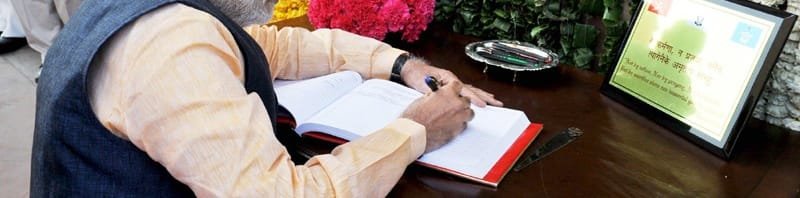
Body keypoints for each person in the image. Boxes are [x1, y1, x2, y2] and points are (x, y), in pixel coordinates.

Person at [32, 0, 502, 197]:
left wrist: (404, 65)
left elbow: (281, 47)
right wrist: (416, 130)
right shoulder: (173, 40)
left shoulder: (172, 15)